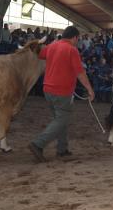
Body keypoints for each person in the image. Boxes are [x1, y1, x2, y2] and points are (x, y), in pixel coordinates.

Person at [29, 26, 94, 162]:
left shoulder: (52, 46)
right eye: (78, 38)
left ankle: (62, 149)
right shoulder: (72, 50)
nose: (78, 41)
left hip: (47, 89)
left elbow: (39, 53)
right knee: (62, 119)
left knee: (59, 119)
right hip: (61, 91)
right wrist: (89, 89)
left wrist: (40, 43)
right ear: (74, 37)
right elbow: (80, 73)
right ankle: (38, 144)